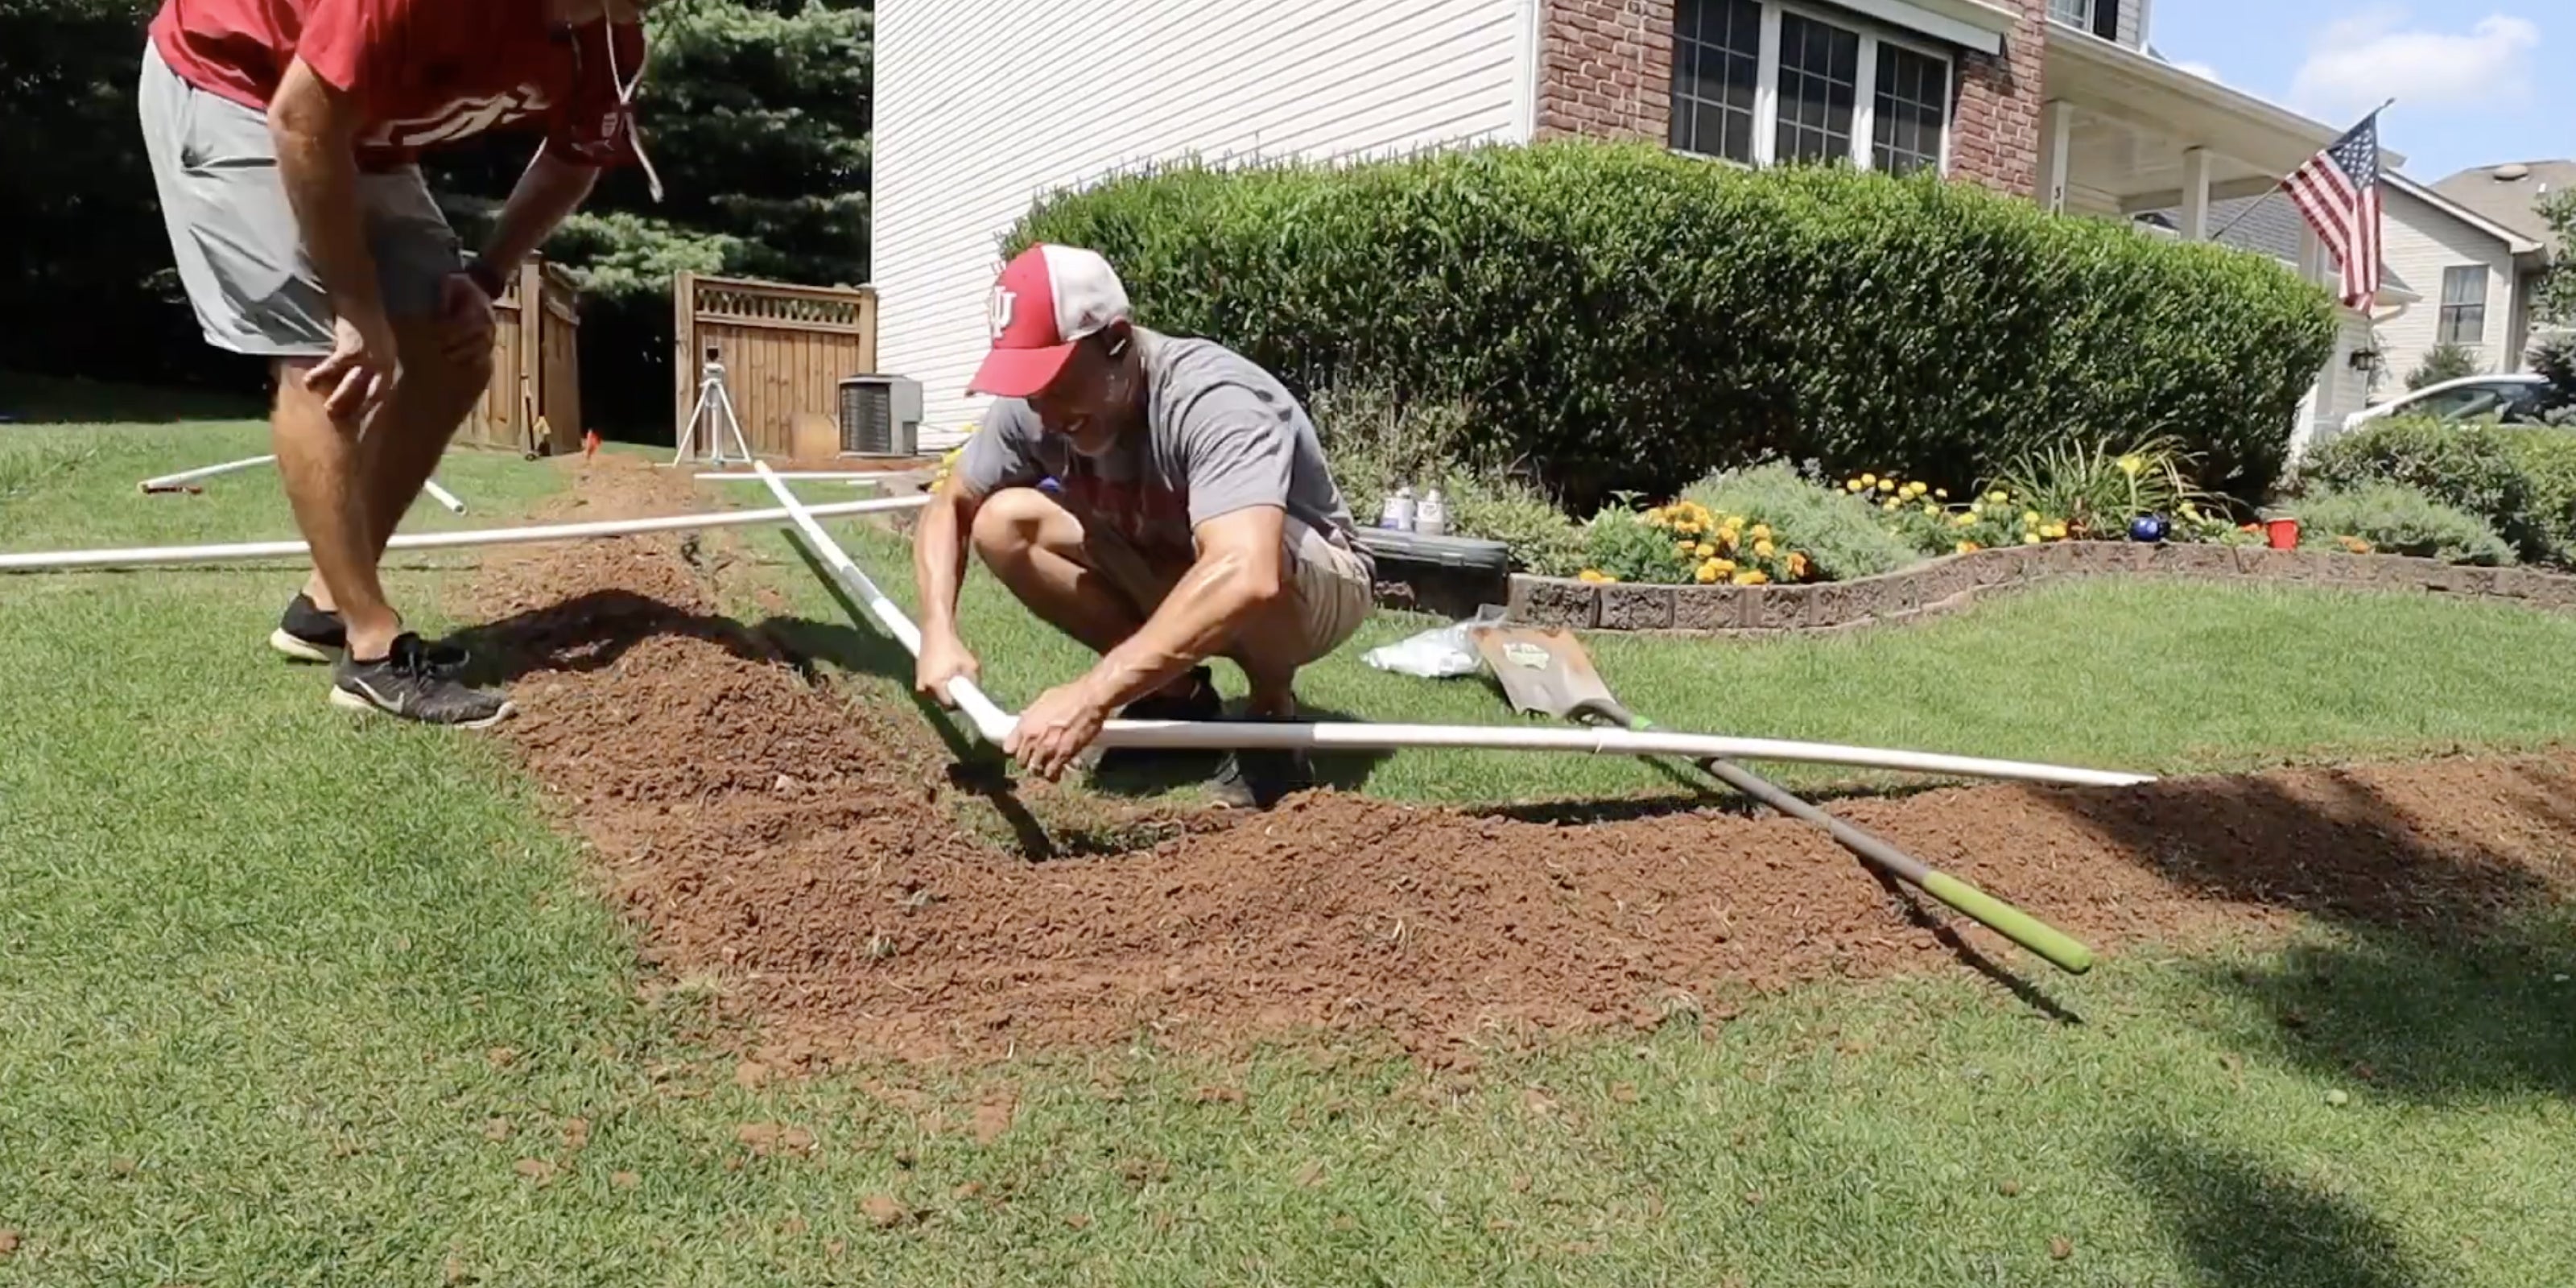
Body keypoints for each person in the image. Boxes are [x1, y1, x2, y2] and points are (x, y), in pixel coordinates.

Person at [138, 0, 666, 727]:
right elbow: (298, 121)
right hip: (242, 85)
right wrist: (356, 309)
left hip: (358, 130)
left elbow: (576, 157)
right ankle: (372, 652)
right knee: (324, 358)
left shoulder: (610, 36)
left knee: (455, 350)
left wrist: (485, 277)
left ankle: (326, 606)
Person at [912, 243, 1377, 809]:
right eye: (1028, 384)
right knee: (1003, 523)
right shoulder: (1038, 409)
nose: (1046, 411)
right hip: (1175, 551)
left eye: (1055, 378)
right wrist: (938, 632)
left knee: (1253, 551)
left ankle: (1270, 717)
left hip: (1320, 580)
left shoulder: (1212, 399)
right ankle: (1174, 695)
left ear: (1116, 339)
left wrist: (1091, 696)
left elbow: (1247, 573)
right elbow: (950, 505)